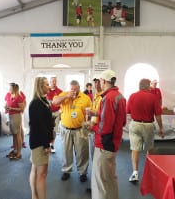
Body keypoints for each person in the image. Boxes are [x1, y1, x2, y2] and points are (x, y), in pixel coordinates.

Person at [89, 70, 126, 199]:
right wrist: (97, 114)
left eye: (99, 81)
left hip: (104, 143)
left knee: (99, 182)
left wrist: (91, 127)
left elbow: (104, 127)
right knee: (110, 178)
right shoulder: (119, 96)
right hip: (114, 143)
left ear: (104, 81)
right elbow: (121, 121)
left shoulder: (107, 98)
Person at [52, 80, 91, 182]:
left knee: (82, 152)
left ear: (79, 87)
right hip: (66, 129)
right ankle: (66, 170)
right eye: (71, 89)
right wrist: (66, 96)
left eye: (75, 89)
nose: (73, 91)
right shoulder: (64, 94)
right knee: (66, 151)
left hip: (80, 130)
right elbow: (54, 102)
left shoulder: (85, 98)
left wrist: (88, 123)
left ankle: (82, 172)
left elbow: (89, 113)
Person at [126, 78, 164, 183]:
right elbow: (158, 115)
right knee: (150, 148)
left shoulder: (132, 96)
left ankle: (135, 173)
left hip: (135, 124)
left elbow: (128, 111)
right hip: (148, 125)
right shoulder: (153, 97)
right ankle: (151, 172)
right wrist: (161, 128)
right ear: (148, 87)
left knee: (135, 149)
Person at [29, 77, 54, 199]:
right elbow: (39, 126)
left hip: (40, 141)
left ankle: (35, 196)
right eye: (46, 84)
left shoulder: (43, 101)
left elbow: (46, 121)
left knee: (36, 169)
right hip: (39, 142)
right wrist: (46, 144)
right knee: (42, 174)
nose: (49, 86)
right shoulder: (36, 103)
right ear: (40, 86)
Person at [5, 83, 25, 160]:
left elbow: (22, 109)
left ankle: (19, 153)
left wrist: (11, 109)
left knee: (17, 134)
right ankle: (15, 150)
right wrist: (6, 107)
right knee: (14, 134)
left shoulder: (19, 97)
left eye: (10, 88)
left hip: (16, 116)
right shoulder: (9, 95)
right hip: (10, 116)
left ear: (14, 89)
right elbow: (7, 104)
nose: (9, 89)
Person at [46, 76, 63, 153]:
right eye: (52, 81)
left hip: (56, 113)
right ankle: (46, 143)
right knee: (46, 129)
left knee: (54, 130)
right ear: (50, 82)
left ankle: (52, 144)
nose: (54, 82)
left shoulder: (60, 91)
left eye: (55, 81)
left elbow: (63, 103)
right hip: (46, 113)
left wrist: (60, 112)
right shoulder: (45, 90)